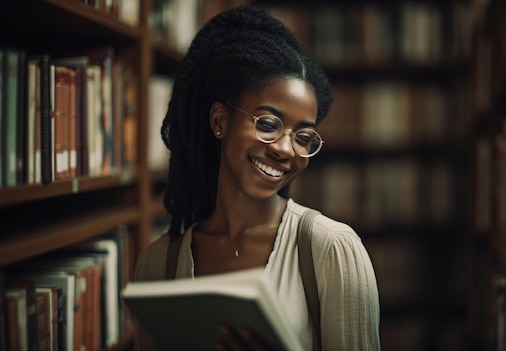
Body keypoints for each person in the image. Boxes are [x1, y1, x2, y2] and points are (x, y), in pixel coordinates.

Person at [133, 5, 381, 351]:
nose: (285, 149)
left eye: (303, 137)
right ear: (220, 121)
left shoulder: (331, 250)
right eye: (267, 123)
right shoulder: (158, 264)